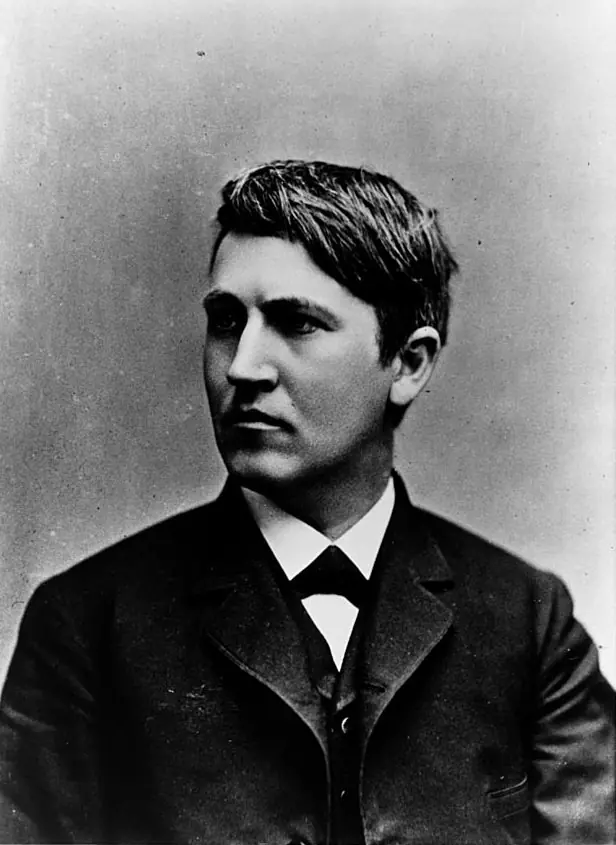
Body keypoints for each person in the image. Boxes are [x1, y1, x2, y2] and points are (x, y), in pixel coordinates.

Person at [0, 160, 613, 845]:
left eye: (296, 323)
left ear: (409, 364)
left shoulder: (530, 621)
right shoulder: (86, 626)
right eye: (227, 320)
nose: (242, 367)